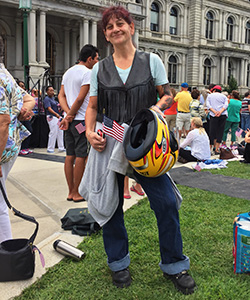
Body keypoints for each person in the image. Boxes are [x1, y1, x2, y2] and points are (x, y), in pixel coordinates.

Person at [82, 6, 196, 294]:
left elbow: (167, 94)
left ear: (131, 28)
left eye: (120, 24)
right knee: (110, 205)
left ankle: (175, 264)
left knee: (167, 202)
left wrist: (152, 113)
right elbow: (93, 107)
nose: (115, 29)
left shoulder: (152, 61)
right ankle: (118, 263)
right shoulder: (99, 68)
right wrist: (89, 131)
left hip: (145, 145)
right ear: (106, 35)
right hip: (109, 143)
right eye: (109, 27)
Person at [58, 44, 99, 203]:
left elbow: (61, 96)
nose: (96, 62)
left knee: (69, 156)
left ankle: (70, 191)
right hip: (81, 120)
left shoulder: (68, 72)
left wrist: (67, 115)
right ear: (90, 59)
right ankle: (77, 192)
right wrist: (71, 115)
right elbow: (81, 98)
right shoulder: (88, 73)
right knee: (81, 155)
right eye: (96, 59)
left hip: (68, 121)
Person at [0, 63, 35, 243]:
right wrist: (22, 112)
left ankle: (5, 254)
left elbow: (3, 122)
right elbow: (29, 100)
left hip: (3, 149)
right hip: (10, 146)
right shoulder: (4, 73)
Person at [206, 85, 228, 155]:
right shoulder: (224, 96)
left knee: (212, 131)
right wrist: (220, 112)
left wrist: (215, 112)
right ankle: (217, 149)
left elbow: (208, 105)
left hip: (213, 115)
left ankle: (210, 148)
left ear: (214, 90)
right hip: (222, 115)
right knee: (220, 131)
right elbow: (226, 105)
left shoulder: (210, 96)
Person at [43, 85, 65, 153]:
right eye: (50, 90)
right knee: (53, 132)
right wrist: (56, 114)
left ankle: (61, 147)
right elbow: (49, 108)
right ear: (47, 92)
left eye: (53, 90)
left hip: (58, 117)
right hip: (52, 117)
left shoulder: (54, 99)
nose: (52, 92)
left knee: (60, 132)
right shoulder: (47, 99)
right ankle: (50, 148)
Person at [16, 80, 33, 155]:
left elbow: (30, 101)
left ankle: (25, 147)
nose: (22, 87)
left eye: (23, 86)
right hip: (16, 115)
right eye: (21, 85)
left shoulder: (24, 95)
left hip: (24, 115)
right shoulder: (15, 93)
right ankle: (20, 148)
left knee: (29, 130)